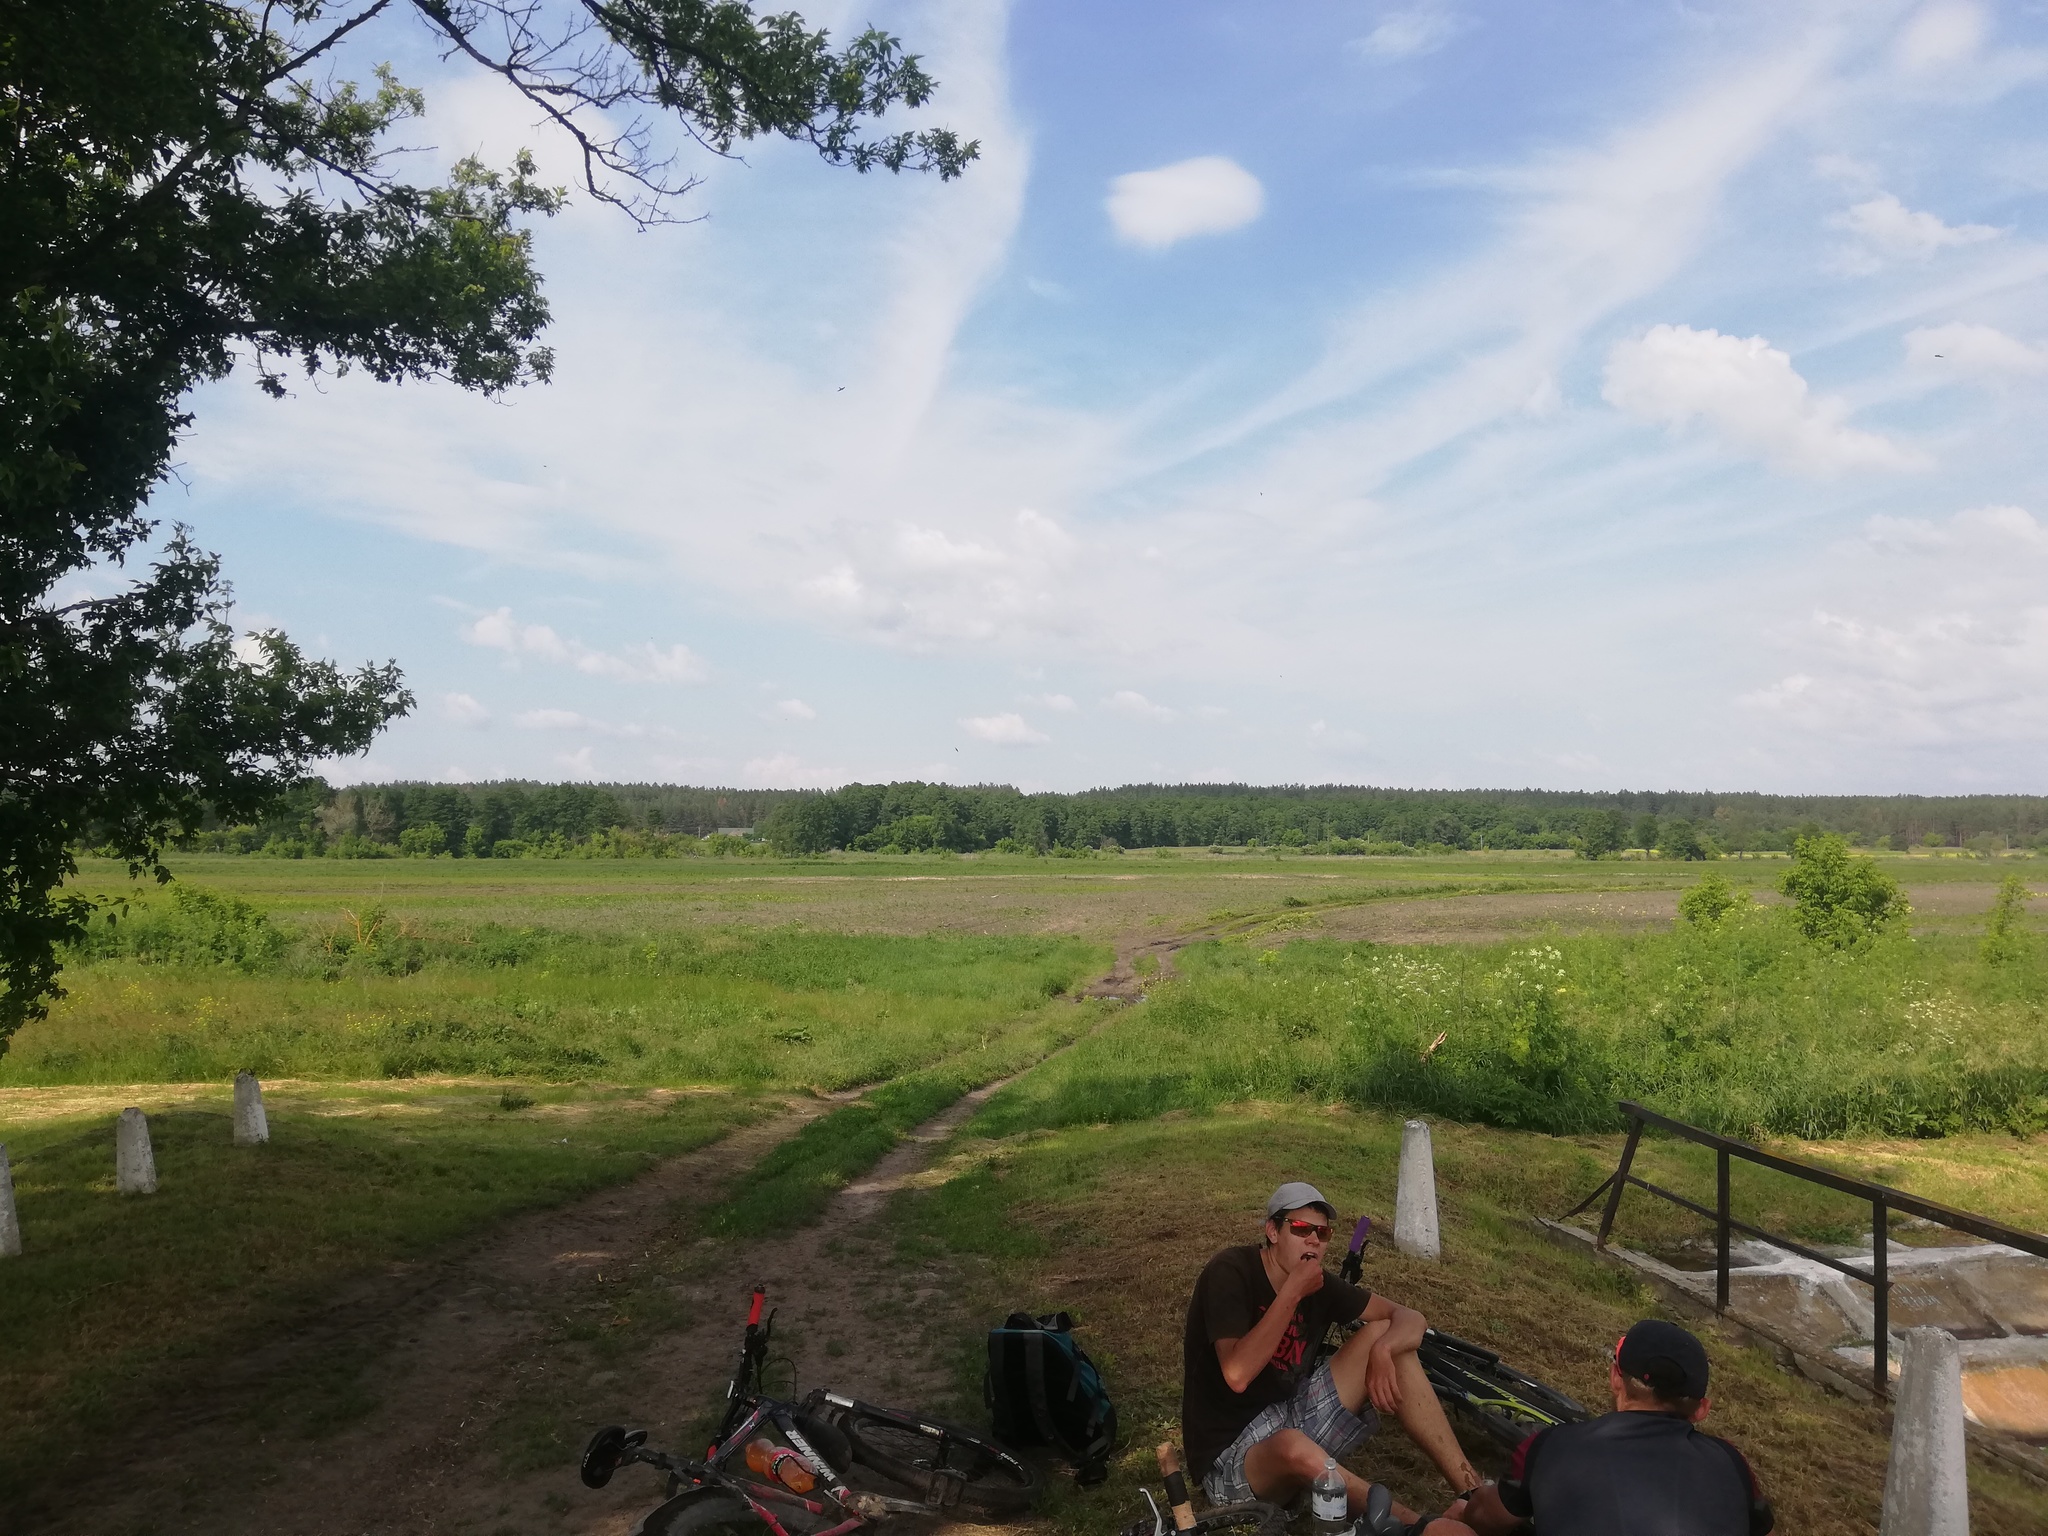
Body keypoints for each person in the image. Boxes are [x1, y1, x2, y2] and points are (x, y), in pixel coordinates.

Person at [1182, 1181, 1481, 1534]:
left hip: (1288, 1414)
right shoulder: (1231, 1271)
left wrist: (1384, 1350)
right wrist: (1292, 1293)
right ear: (1272, 1231)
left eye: (1322, 1233)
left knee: (1382, 1334)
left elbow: (1410, 1318)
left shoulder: (1319, 1284)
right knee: (1291, 1444)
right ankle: (1416, 1527)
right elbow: (1237, 1373)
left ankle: (1473, 1495)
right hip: (1231, 1457)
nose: (1313, 1240)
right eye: (1301, 1229)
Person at [1462, 1319, 1774, 1536]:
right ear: (1701, 1410)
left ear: (1615, 1378)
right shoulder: (1731, 1465)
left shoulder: (1550, 1447)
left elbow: (1485, 1519)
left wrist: (1467, 1505)